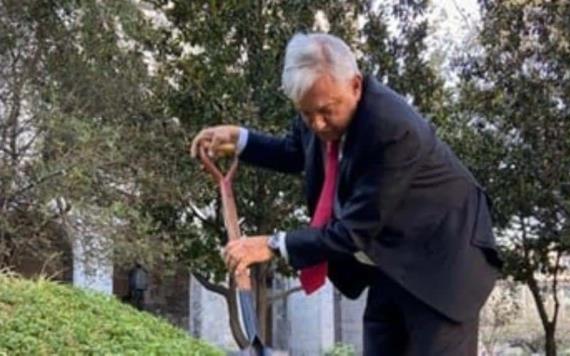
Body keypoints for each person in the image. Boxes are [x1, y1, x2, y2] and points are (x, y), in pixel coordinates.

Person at [190, 33, 502, 355]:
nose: (318, 124)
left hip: (444, 265)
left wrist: (272, 245)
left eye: (326, 110)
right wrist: (242, 140)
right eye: (306, 113)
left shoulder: (393, 129)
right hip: (391, 260)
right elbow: (297, 152)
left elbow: (353, 231)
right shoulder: (317, 103)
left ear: (355, 85)